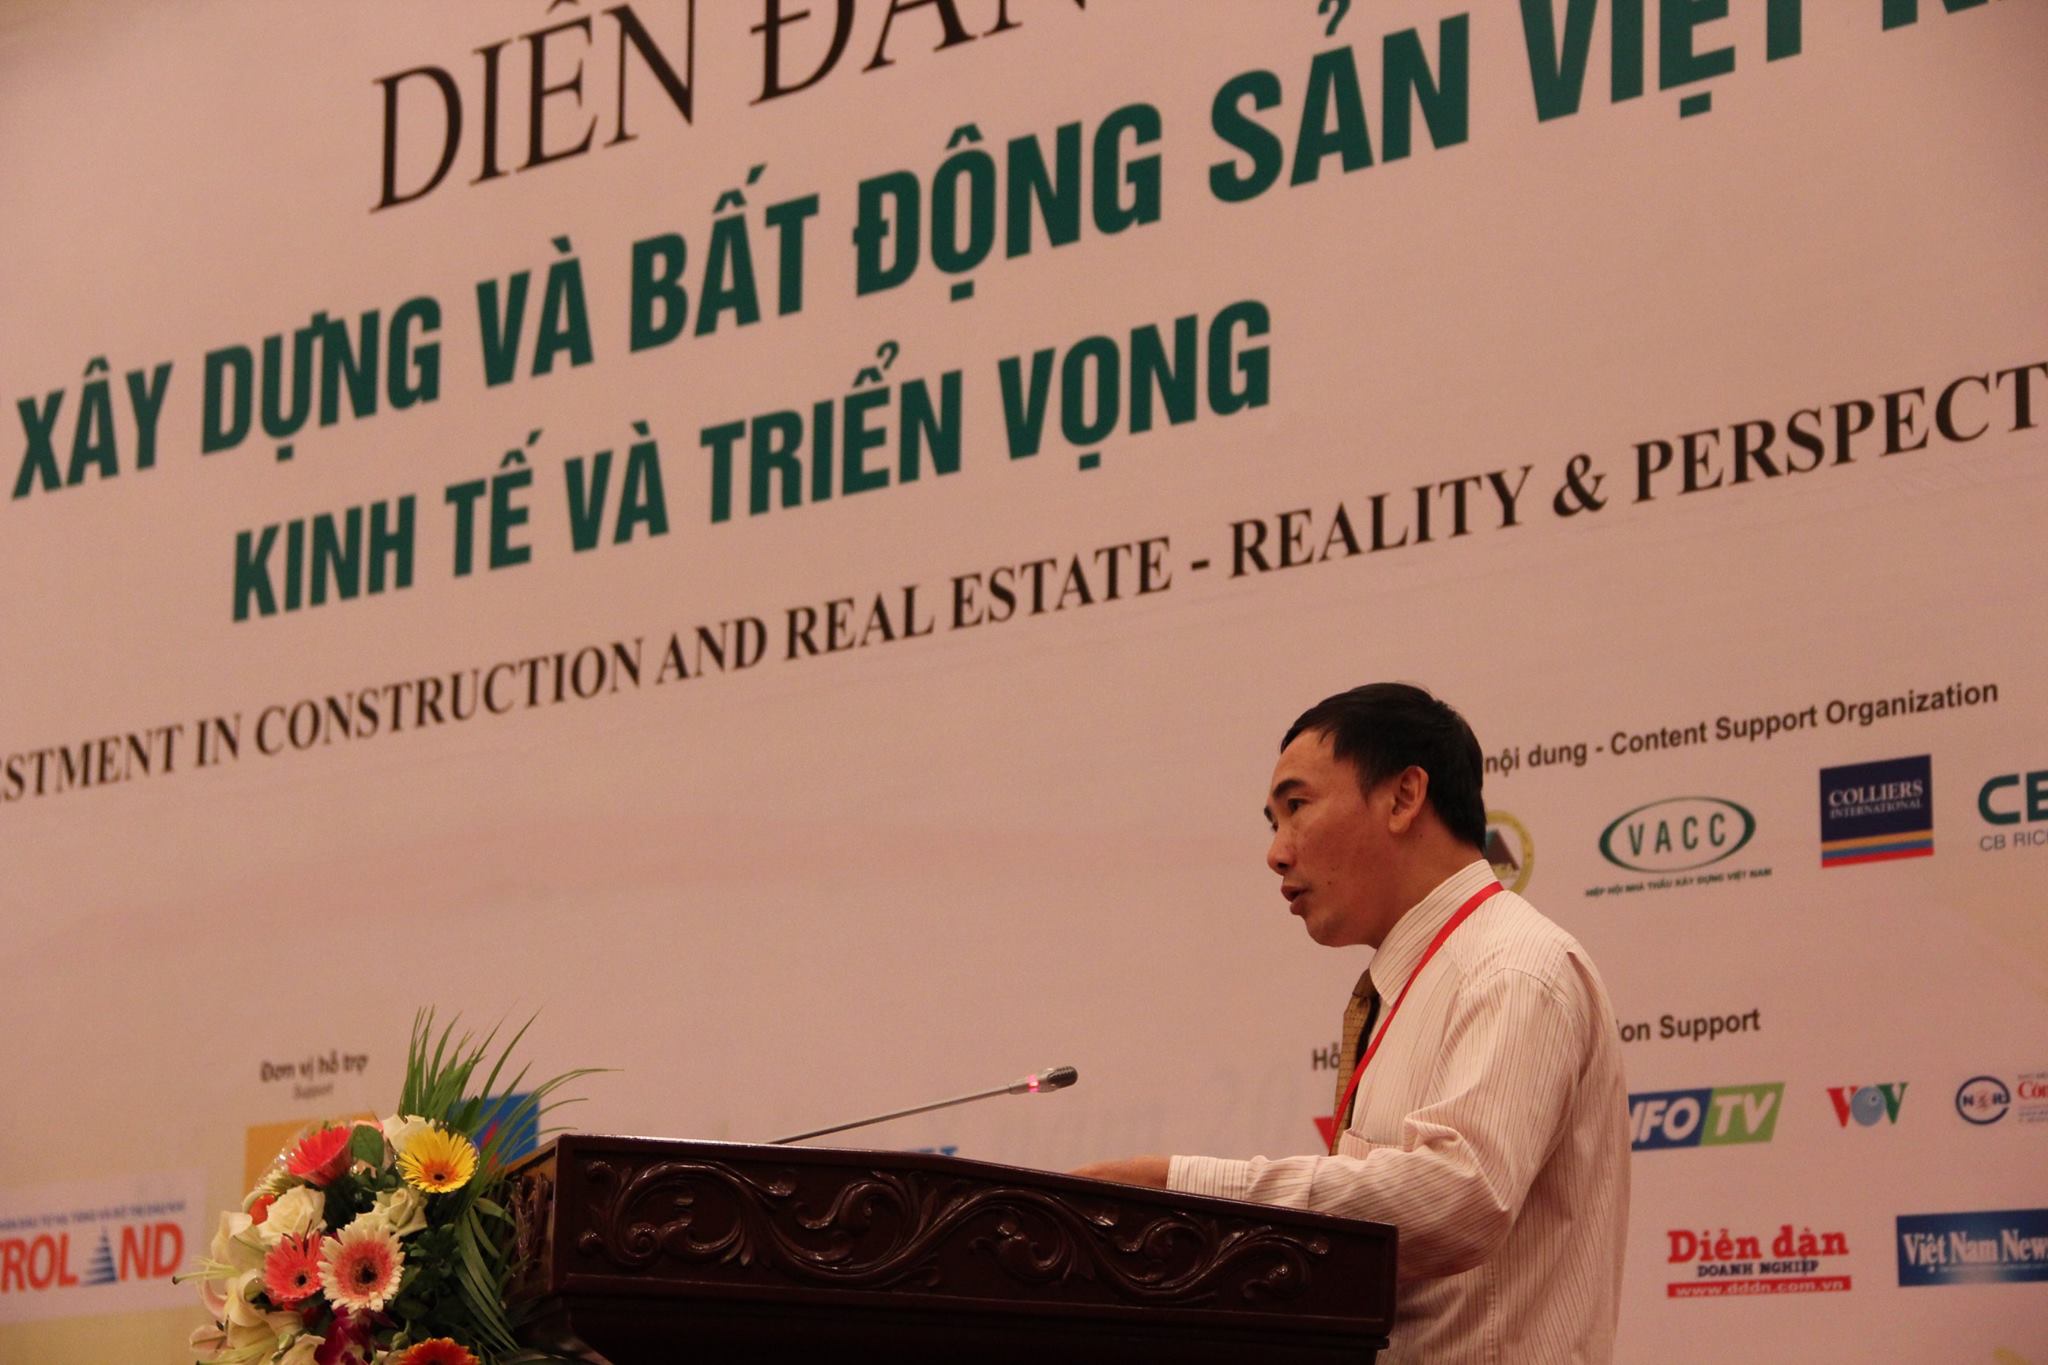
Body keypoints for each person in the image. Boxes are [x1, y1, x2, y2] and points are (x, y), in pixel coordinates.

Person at [1072, 683, 1629, 1364]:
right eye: (1272, 822)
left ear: (1403, 797)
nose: (1277, 853)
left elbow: (1461, 1198)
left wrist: (1184, 1191)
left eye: (1297, 807)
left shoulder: (1512, 967)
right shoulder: (1415, 980)